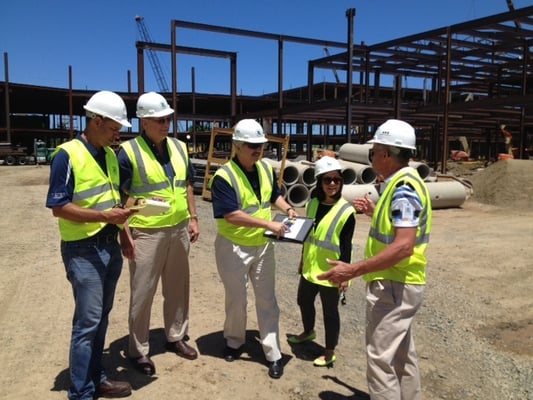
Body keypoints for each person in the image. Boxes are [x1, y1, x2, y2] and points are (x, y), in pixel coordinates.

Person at [318, 119, 432, 400]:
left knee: (381, 360)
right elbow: (400, 229)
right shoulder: (405, 184)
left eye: (374, 151)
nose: (372, 157)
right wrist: (375, 211)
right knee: (403, 355)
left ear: (386, 154)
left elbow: (404, 246)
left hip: (394, 285)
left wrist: (353, 269)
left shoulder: (403, 189)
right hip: (402, 283)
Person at [46, 90, 135, 400]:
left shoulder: (110, 155)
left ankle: (96, 378)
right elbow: (58, 206)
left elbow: (113, 199)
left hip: (110, 246)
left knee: (101, 317)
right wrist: (102, 216)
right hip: (82, 249)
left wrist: (123, 233)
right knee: (87, 323)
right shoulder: (67, 155)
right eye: (113, 128)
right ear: (96, 121)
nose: (117, 134)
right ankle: (81, 392)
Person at [117, 91, 200, 376]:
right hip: (146, 233)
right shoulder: (127, 153)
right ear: (144, 122)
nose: (165, 124)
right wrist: (124, 234)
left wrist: (194, 217)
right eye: (159, 119)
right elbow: (121, 197)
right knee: (142, 293)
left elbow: (187, 184)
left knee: (178, 288)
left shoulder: (178, 147)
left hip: (178, 229)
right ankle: (138, 350)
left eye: (167, 119)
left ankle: (176, 336)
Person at [209, 118, 297, 379]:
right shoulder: (224, 177)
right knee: (237, 299)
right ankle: (234, 342)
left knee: (267, 300)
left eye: (260, 145)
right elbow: (231, 215)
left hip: (262, 245)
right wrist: (268, 223)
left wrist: (289, 209)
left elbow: (274, 195)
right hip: (233, 247)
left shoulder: (265, 169)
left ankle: (273, 353)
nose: (257, 150)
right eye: (251, 145)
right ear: (237, 145)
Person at [287, 156, 356, 367]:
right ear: (320, 182)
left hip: (331, 271)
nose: (333, 184)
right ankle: (308, 332)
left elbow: (346, 246)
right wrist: (301, 260)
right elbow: (309, 235)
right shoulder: (313, 204)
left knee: (330, 313)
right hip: (310, 267)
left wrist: (345, 275)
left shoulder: (347, 211)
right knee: (303, 301)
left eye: (337, 179)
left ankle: (329, 351)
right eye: (327, 180)